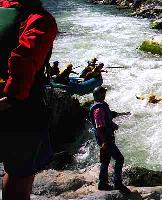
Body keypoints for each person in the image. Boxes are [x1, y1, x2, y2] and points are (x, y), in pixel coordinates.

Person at [0, 0, 58, 199]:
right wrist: (12, 99)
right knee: (20, 175)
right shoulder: (40, 21)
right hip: (18, 111)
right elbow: (22, 62)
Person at [89, 86, 131, 194]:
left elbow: (105, 121)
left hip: (105, 138)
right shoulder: (98, 110)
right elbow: (99, 127)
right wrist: (105, 142)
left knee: (106, 160)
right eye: (104, 93)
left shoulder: (100, 106)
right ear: (101, 95)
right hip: (105, 139)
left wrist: (112, 124)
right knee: (119, 159)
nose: (105, 95)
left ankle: (102, 183)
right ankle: (118, 183)